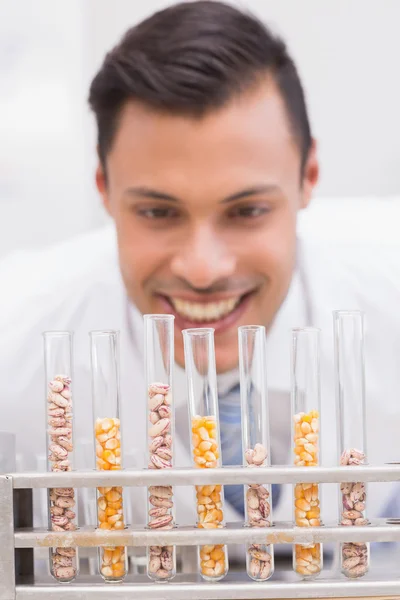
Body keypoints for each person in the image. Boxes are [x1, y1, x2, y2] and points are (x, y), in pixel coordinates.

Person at [1, 0, 400, 538]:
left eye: (247, 211)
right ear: (105, 189)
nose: (204, 269)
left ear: (309, 177)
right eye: (158, 212)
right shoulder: (15, 342)